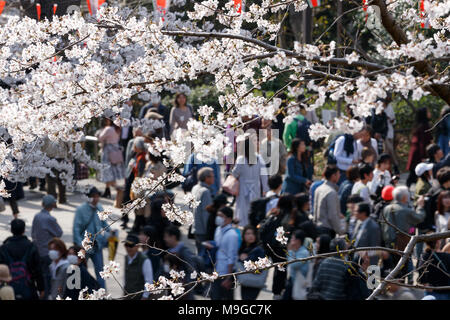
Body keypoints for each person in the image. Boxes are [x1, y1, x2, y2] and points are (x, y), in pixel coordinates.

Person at [73, 187, 110, 289]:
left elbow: (105, 224)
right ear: (88, 197)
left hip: (97, 245)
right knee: (80, 271)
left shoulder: (100, 207)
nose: (96, 199)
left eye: (97, 196)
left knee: (100, 272)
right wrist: (79, 245)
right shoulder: (80, 210)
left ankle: (102, 294)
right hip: (84, 246)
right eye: (93, 196)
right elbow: (76, 229)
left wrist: (111, 232)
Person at [0, 219, 44, 300]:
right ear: (24, 230)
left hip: (8, 287)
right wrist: (41, 288)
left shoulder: (4, 248)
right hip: (28, 287)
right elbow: (38, 270)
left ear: (11, 230)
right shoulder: (31, 246)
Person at [231, 137, 269, 227]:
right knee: (253, 207)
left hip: (243, 188)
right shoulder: (259, 158)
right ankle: (252, 225)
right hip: (255, 187)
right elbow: (264, 176)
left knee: (242, 209)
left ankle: (243, 226)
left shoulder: (241, 159)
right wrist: (266, 189)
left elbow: (235, 173)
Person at [31, 194, 63, 299]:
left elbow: (32, 234)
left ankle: (43, 295)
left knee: (41, 276)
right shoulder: (50, 219)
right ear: (52, 204)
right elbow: (59, 233)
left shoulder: (36, 216)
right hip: (48, 252)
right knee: (49, 278)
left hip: (37, 251)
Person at [210, 207, 239, 300]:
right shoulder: (218, 230)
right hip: (216, 270)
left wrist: (228, 278)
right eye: (218, 215)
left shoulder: (232, 235)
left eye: (221, 216)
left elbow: (232, 257)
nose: (218, 218)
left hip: (225, 272)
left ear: (229, 219)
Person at [313, 165, 346, 238]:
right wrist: (340, 231)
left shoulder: (318, 189)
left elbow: (315, 210)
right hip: (327, 230)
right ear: (333, 176)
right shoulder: (331, 192)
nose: (339, 176)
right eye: (338, 174)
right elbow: (332, 215)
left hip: (318, 227)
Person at [97, 118, 125, 198]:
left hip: (108, 150)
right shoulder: (118, 128)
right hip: (116, 149)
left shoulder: (108, 129)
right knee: (113, 171)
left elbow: (100, 138)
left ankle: (109, 190)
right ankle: (108, 189)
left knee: (107, 171)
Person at [406, 107, 433, 188]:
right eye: (428, 112)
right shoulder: (424, 126)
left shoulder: (420, 125)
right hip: (419, 153)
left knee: (415, 174)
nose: (429, 113)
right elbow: (422, 142)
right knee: (416, 174)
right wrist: (423, 156)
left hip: (416, 152)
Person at [237, 225, 265, 300]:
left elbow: (260, 269)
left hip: (253, 282)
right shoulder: (244, 248)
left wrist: (245, 260)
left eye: (253, 234)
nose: (251, 236)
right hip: (245, 282)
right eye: (248, 234)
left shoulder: (259, 250)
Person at [418, 236, 450, 300]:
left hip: (431, 292)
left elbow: (421, 272)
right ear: (438, 242)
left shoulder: (424, 256)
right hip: (446, 291)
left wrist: (426, 285)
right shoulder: (447, 256)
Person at [123, 234, 153, 300]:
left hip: (139, 297)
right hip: (127, 296)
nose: (128, 248)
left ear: (138, 246)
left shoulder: (145, 260)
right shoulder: (126, 258)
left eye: (131, 245)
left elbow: (149, 281)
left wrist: (145, 296)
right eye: (126, 245)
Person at [191, 167, 214, 254]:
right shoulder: (205, 192)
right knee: (204, 256)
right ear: (206, 178)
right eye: (212, 176)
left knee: (199, 253)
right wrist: (209, 232)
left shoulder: (195, 187)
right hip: (203, 230)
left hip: (196, 227)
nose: (214, 179)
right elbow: (206, 213)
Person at [41, 137, 70, 204]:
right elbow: (68, 143)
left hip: (51, 156)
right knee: (61, 180)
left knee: (52, 181)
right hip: (58, 156)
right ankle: (61, 199)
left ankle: (53, 201)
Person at [283, 229, 311, 300]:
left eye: (292, 238)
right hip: (293, 281)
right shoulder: (297, 250)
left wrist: (289, 251)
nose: (291, 240)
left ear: (298, 241)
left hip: (298, 283)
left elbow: (292, 264)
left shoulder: (303, 253)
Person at [383, 95, 400, 174]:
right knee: (387, 151)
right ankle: (391, 168)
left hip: (389, 132)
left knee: (390, 150)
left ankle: (393, 167)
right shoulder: (379, 106)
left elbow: (394, 120)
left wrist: (389, 119)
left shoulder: (390, 108)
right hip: (382, 132)